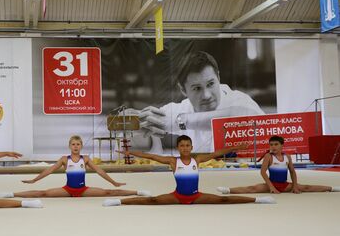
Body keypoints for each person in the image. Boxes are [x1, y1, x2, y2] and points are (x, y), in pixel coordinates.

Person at [131, 51, 264, 153]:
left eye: (211, 84)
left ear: (218, 77)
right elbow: (125, 119)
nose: (206, 95)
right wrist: (136, 121)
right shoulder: (183, 108)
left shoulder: (240, 101)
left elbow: (242, 117)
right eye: (197, 88)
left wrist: (179, 122)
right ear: (183, 89)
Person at [102, 135, 275, 207]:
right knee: (153, 200)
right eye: (182, 146)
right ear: (178, 148)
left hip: (196, 195)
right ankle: (119, 202)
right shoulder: (172, 161)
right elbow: (151, 156)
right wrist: (130, 152)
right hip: (177, 196)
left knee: (224, 199)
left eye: (187, 145)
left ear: (191, 147)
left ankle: (258, 199)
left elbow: (216, 153)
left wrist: (237, 146)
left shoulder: (197, 159)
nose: (185, 148)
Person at [0, 135, 150, 198]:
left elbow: (99, 171)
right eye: (73, 144)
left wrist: (114, 182)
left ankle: (138, 192)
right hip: (67, 189)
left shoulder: (86, 158)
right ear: (69, 146)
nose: (76, 147)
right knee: (42, 194)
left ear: (81, 146)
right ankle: (12, 194)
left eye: (78, 144)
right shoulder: (64, 159)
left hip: (83, 190)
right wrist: (34, 180)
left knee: (109, 192)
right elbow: (49, 170)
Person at [217, 136, 340, 195]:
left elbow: (292, 171)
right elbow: (263, 172)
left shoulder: (287, 157)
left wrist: (295, 186)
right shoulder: (268, 157)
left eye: (276, 144)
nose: (273, 147)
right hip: (271, 184)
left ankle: (332, 188)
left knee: (307, 187)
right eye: (271, 145)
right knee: (252, 189)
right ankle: (228, 190)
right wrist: (271, 187)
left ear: (282, 146)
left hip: (285, 185)